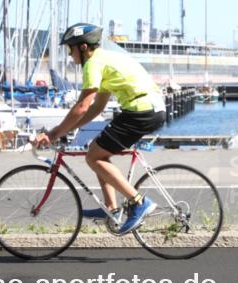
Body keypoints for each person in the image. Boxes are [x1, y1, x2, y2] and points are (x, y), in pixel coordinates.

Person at [33, 23, 166, 234]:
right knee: (97, 150)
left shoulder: (93, 64)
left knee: (93, 157)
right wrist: (68, 129)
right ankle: (112, 208)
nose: (69, 54)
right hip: (149, 109)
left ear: (83, 47)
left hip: (141, 111)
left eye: (71, 48)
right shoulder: (105, 59)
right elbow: (96, 108)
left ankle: (139, 202)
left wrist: (54, 133)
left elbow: (82, 105)